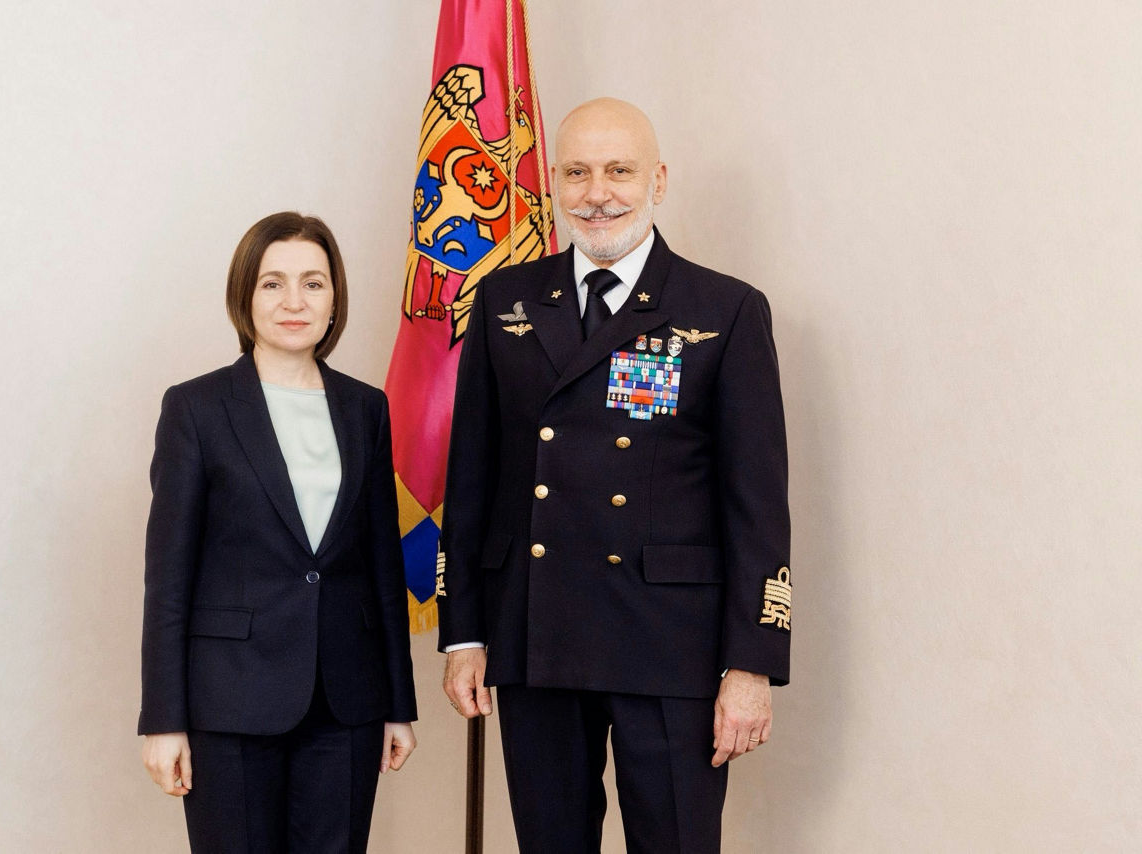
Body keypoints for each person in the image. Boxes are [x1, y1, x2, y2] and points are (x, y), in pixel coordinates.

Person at [438, 98, 791, 852]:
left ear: (657, 180)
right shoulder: (505, 301)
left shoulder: (723, 310)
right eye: (577, 173)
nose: (597, 194)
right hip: (536, 633)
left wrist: (752, 663)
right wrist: (462, 633)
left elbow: (757, 506)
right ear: (554, 183)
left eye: (619, 171)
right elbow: (471, 481)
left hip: (670, 643)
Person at [138, 212, 417, 853]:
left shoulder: (366, 408)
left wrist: (399, 703)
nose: (295, 301)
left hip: (347, 702)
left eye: (313, 283)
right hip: (229, 699)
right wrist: (163, 719)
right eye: (273, 283)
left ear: (334, 298)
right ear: (245, 295)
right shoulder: (195, 408)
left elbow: (383, 565)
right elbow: (168, 579)